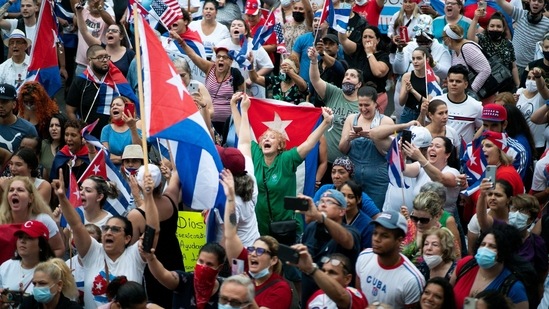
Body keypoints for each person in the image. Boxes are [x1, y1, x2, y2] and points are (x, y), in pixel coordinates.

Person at [52, 169, 158, 308]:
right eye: (106, 228)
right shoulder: (93, 252)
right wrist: (62, 198)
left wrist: (148, 196)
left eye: (115, 229)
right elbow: (76, 225)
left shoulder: (135, 255)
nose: (108, 232)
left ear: (127, 238)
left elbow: (153, 231)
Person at [236, 92, 334, 236]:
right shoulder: (256, 155)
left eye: (272, 138)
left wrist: (325, 123)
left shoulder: (287, 159)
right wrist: (238, 108)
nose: (266, 139)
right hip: (260, 228)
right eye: (264, 138)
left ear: (280, 145)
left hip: (287, 229)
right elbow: (242, 136)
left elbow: (308, 144)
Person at [221, 170, 292, 309]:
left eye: (260, 251)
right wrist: (230, 199)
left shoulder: (280, 289)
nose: (252, 253)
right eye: (252, 249)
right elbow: (230, 235)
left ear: (273, 260)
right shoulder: (244, 268)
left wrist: (245, 291)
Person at [127, 165, 183, 309]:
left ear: (138, 184)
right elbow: (177, 174)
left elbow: (128, 249)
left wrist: (137, 196)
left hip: (152, 267)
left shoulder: (136, 215)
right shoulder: (171, 197)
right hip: (175, 259)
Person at [170, 31, 245, 134]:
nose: (221, 59)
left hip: (229, 123)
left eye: (225, 57)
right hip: (210, 121)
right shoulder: (209, 68)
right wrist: (180, 41)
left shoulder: (235, 74)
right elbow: (192, 55)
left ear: (230, 61)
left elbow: (242, 97)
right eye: (218, 57)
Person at [299, 191, 361, 304]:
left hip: (335, 301)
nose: (323, 204)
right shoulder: (311, 227)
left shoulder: (351, 232)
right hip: (309, 298)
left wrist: (320, 217)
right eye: (321, 201)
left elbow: (346, 240)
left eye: (329, 202)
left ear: (342, 211)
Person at [339, 85, 394, 209]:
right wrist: (349, 138)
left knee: (375, 214)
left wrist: (373, 136)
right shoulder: (351, 119)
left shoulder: (386, 122)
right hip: (353, 177)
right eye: (360, 105)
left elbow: (388, 152)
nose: (363, 109)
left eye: (367, 105)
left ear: (375, 103)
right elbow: (342, 149)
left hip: (378, 179)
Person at [356, 210, 426, 308]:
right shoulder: (364, 257)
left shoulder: (412, 280)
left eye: (384, 236)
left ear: (399, 240)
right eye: (375, 233)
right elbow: (359, 299)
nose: (376, 239)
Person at [65, 45, 137, 138]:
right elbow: (70, 110)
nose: (104, 60)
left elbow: (130, 103)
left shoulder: (117, 80)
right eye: (100, 57)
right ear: (89, 60)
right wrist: (79, 131)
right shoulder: (80, 81)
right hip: (89, 137)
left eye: (106, 57)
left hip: (116, 135)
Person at [451, 226, 530, 309]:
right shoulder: (465, 264)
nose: (485, 249)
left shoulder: (514, 288)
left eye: (492, 246)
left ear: (503, 251)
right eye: (483, 244)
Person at [141, 242, 225, 309]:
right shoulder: (185, 280)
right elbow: (163, 274)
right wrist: (150, 258)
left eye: (209, 264)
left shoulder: (225, 289)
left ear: (220, 267)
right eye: (201, 261)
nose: (203, 267)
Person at [0, 178, 64, 258]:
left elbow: (58, 249)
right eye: (11, 190)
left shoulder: (43, 220)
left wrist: (40, 266)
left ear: (31, 198)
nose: (14, 193)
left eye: (20, 190)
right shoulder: (1, 220)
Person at [216, 18, 274, 99]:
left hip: (252, 90)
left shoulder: (254, 45)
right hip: (229, 89)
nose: (236, 27)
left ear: (246, 31)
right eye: (233, 26)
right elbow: (214, 64)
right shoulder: (222, 44)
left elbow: (268, 66)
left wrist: (252, 78)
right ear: (230, 31)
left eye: (239, 25)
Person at [291, 248, 368, 308]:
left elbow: (341, 297)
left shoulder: (355, 296)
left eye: (332, 272)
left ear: (347, 279)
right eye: (323, 271)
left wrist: (311, 269)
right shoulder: (315, 297)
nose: (325, 275)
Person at [339, 26, 391, 113]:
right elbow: (343, 41)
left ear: (377, 40)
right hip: (357, 97)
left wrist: (369, 53)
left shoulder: (383, 56)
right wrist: (341, 23)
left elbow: (378, 72)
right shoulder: (358, 49)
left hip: (376, 98)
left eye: (370, 37)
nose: (367, 40)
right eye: (365, 37)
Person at [0, 220, 55, 301]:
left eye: (29, 238)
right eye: (20, 237)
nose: (22, 241)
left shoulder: (51, 270)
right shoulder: (6, 266)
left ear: (41, 244)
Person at [314, 157, 380, 221]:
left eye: (341, 172)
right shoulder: (325, 189)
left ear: (350, 175)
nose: (336, 176)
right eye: (333, 172)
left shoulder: (358, 194)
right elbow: (313, 210)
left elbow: (377, 217)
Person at [467, 11, 519, 92]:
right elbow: (470, 38)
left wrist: (518, 85)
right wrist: (475, 19)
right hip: (486, 84)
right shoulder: (482, 39)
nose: (495, 28)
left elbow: (513, 67)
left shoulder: (508, 43)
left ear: (503, 29)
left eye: (498, 26)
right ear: (487, 28)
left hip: (505, 85)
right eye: (492, 26)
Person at [75, 7, 134, 77]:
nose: (110, 32)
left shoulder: (130, 54)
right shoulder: (101, 48)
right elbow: (84, 32)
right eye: (108, 31)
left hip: (122, 86)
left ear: (121, 36)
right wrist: (78, 12)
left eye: (114, 31)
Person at [495, 0, 549, 75]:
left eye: (540, 1)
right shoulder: (520, 14)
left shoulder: (547, 24)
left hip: (528, 69)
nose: (536, 3)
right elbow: (501, 2)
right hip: (510, 63)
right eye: (533, 0)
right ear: (529, 2)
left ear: (544, 5)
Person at [432, 64, 482, 143]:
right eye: (451, 81)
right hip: (438, 152)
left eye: (458, 81)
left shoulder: (476, 106)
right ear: (447, 82)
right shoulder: (436, 102)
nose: (454, 84)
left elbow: (482, 128)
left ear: (465, 84)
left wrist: (472, 146)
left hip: (463, 153)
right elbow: (426, 125)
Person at [442, 24, 491, 99]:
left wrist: (471, 92)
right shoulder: (454, 51)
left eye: (443, 38)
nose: (443, 41)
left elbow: (485, 70)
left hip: (483, 95)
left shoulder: (467, 48)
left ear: (449, 39)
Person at [399, 47, 440, 123]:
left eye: (419, 58)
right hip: (408, 113)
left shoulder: (433, 79)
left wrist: (413, 91)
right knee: (402, 135)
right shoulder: (407, 76)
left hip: (425, 115)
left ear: (426, 60)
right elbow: (401, 102)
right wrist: (406, 91)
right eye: (413, 59)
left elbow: (429, 103)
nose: (415, 61)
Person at [100, 96, 141, 166]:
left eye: (118, 105)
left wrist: (132, 127)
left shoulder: (138, 124)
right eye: (112, 106)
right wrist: (125, 159)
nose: (114, 107)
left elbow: (139, 149)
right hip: (114, 171)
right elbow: (106, 155)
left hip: (134, 168)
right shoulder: (106, 129)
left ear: (127, 109)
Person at [517, 67, 549, 153]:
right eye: (529, 78)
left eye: (534, 78)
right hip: (519, 140)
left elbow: (542, 88)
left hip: (536, 144)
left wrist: (538, 76)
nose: (531, 81)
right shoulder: (519, 92)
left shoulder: (543, 96)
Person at [0, 83, 37, 153]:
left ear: (14, 104)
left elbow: (33, 158)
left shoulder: (28, 129)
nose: (0, 105)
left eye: (4, 102)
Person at [338, 180, 375, 250]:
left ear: (359, 199)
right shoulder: (336, 216)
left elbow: (366, 253)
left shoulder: (368, 225)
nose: (345, 200)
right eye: (342, 195)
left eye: (351, 197)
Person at [40, 114, 66, 182]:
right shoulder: (44, 144)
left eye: (58, 125)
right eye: (51, 126)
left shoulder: (70, 146)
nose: (54, 128)